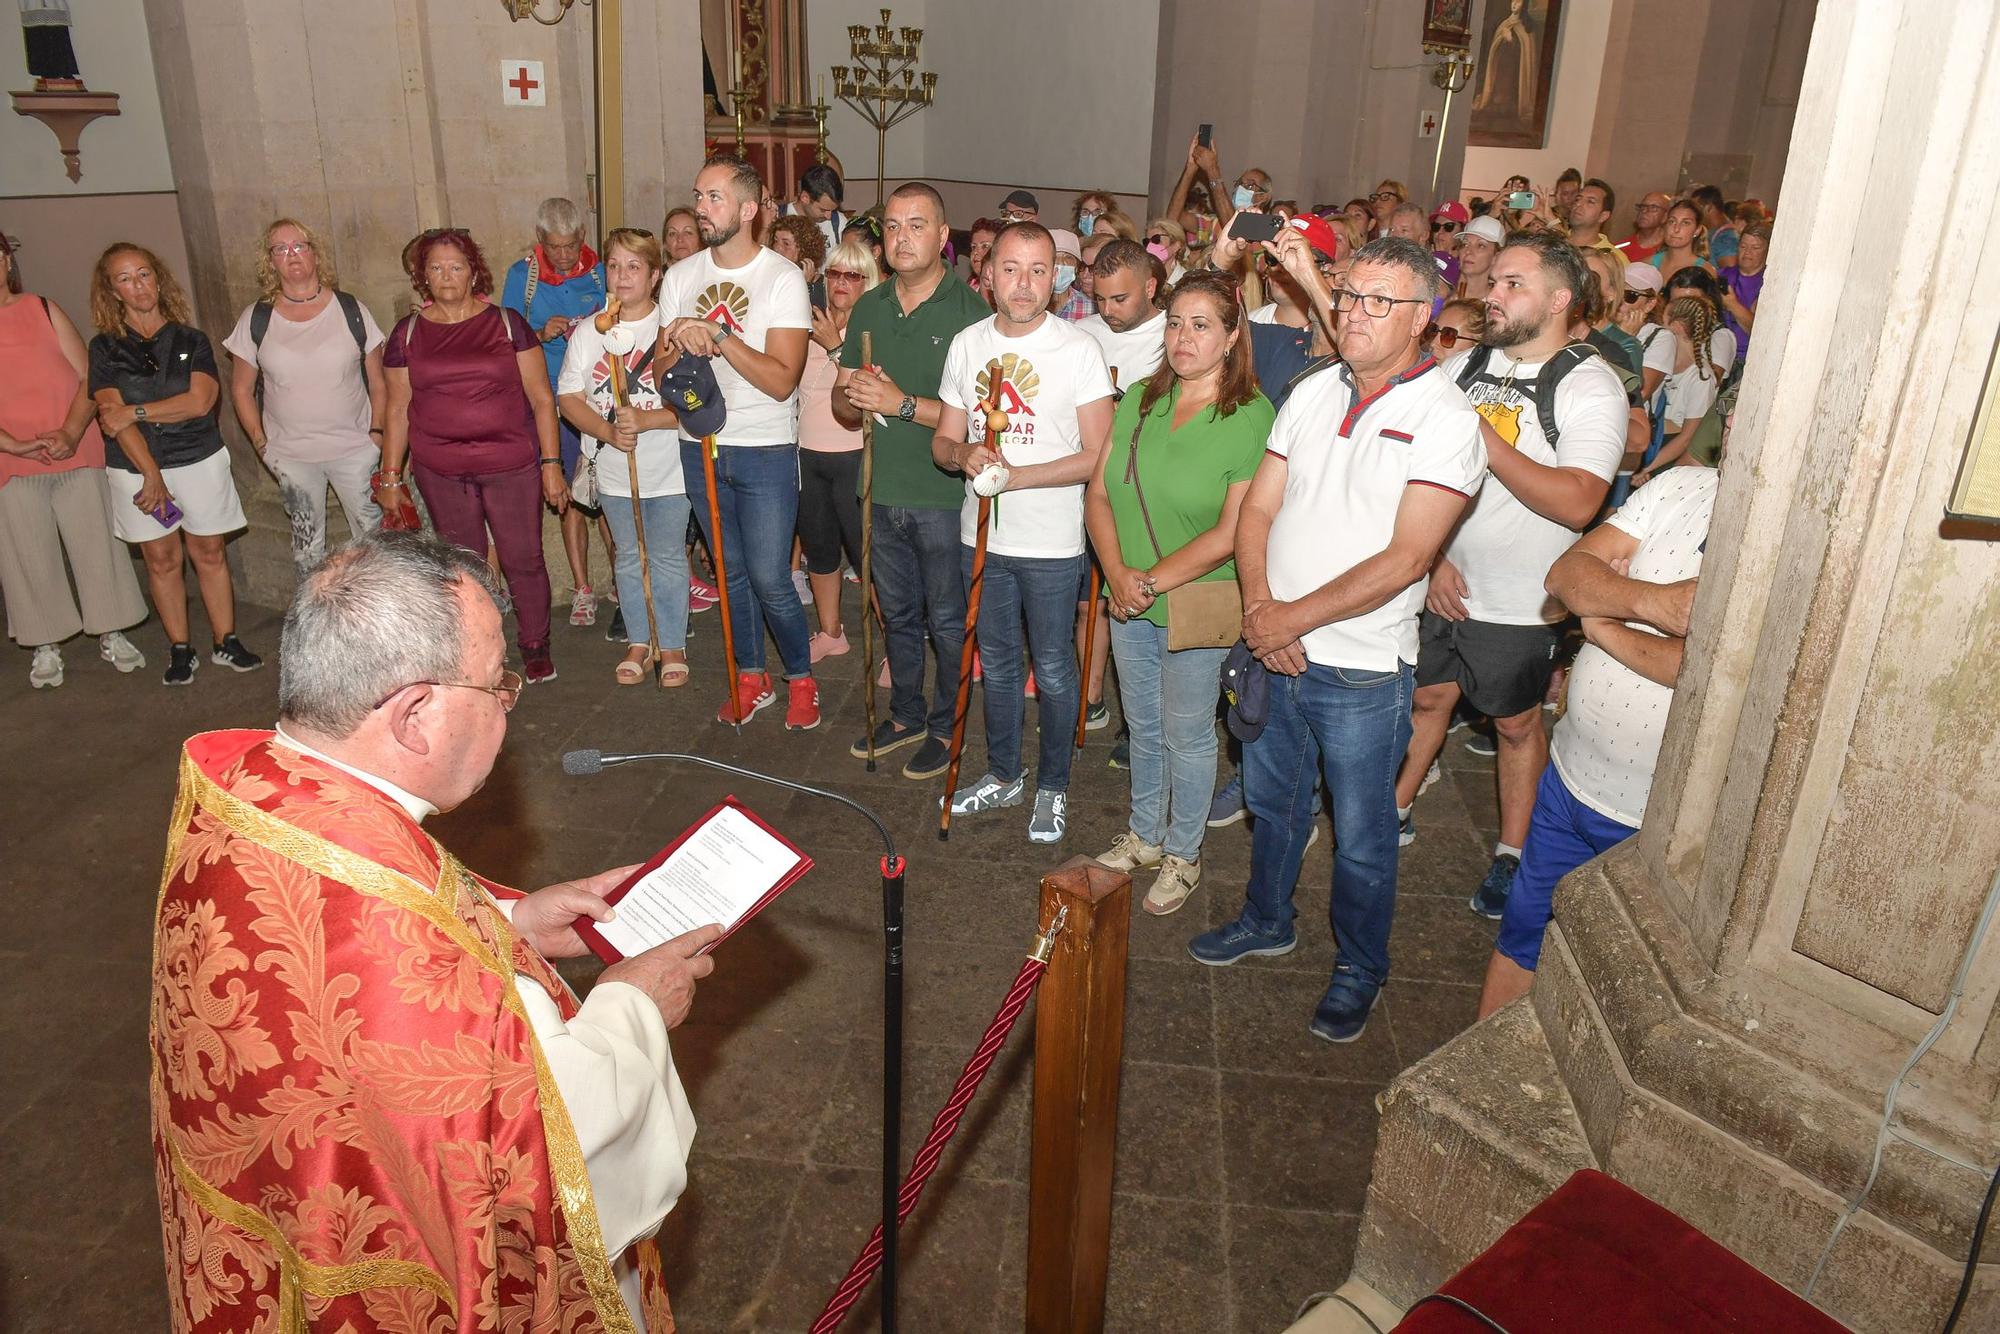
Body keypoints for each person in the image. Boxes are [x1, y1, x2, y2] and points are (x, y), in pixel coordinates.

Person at [149, 530, 716, 1330]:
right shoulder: (391, 935)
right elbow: (545, 1153)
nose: (509, 707)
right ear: (415, 715)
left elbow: (352, 896)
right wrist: (633, 1006)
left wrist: (513, 917)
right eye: (497, 687)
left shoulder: (256, 792)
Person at [1188, 236, 1486, 1044]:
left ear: (1423, 318)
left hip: (1358, 670)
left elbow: (1409, 558)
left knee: (1360, 837)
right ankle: (1265, 919)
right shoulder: (1316, 391)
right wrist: (1259, 608)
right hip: (1274, 643)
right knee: (1273, 807)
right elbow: (1258, 510)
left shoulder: (1447, 420)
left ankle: (1360, 967)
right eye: (1348, 295)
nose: (1352, 312)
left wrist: (1291, 618)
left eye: (1376, 301)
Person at [1393, 233, 1628, 917]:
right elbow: (1414, 467)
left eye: (1512, 284)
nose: (1492, 294)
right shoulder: (1465, 365)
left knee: (1517, 725)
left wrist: (1485, 440)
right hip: (1443, 579)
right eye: (1493, 282)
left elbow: (1581, 499)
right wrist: (1434, 558)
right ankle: (1397, 807)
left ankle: (1513, 853)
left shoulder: (1589, 384)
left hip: (1523, 600)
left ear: (1559, 299)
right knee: (1428, 700)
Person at [1478, 464, 1714, 1016]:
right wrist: (1656, 604)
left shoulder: (1781, 533)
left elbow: (1699, 664)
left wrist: (1603, 617)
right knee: (1521, 938)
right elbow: (1564, 575)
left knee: (1625, 985)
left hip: (1652, 816)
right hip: (1568, 780)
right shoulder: (1685, 485)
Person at [1087, 270, 1273, 914]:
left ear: (1231, 336)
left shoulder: (1252, 417)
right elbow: (1101, 492)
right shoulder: (1140, 397)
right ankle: (1144, 833)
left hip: (1194, 602)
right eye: (1174, 323)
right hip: (1127, 595)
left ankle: (1184, 852)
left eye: (1201, 326)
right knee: (1141, 725)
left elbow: (1233, 531)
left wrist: (1146, 582)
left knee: (1188, 734)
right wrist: (1116, 575)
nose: (1183, 338)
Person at [933, 221, 1115, 844]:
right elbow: (943, 441)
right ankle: (1006, 772)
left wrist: (1018, 476)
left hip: (1052, 542)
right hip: (980, 536)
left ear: (1058, 279)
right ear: (986, 275)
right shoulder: (967, 344)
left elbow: (1100, 455)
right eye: (1011, 268)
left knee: (1057, 667)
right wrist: (966, 459)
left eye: (1039, 271)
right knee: (1000, 664)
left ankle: (1053, 786)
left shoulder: (1079, 349)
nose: (1024, 284)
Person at [834, 182, 990, 780]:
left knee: (947, 620)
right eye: (893, 226)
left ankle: (950, 730)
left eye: (916, 225)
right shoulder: (870, 306)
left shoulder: (971, 313)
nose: (902, 237)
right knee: (895, 613)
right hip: (880, 487)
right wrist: (855, 395)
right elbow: (847, 409)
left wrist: (900, 403)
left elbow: (979, 418)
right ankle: (906, 714)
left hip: (942, 494)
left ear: (942, 237)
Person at [660, 154, 816, 727]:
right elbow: (659, 376)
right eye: (698, 196)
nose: (702, 208)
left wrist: (719, 337)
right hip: (699, 442)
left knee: (772, 575)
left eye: (714, 198)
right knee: (730, 572)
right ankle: (752, 675)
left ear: (748, 209)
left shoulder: (780, 277)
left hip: (764, 447)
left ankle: (801, 678)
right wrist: (677, 345)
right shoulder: (680, 277)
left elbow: (781, 380)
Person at [381, 228, 564, 683]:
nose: (446, 275)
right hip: (440, 470)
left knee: (523, 557)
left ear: (473, 272)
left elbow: (542, 398)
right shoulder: (406, 334)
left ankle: (535, 642)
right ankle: (483, 650)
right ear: (422, 276)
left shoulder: (507, 324)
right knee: (464, 566)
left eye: (456, 266)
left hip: (511, 464)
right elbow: (397, 408)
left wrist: (551, 463)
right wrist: (389, 476)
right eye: (436, 267)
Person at [87, 242, 261, 686]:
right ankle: (180, 647)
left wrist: (138, 411)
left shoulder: (191, 339)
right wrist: (151, 473)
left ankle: (226, 641)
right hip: (135, 467)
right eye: (124, 278)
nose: (138, 285)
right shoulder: (104, 347)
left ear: (158, 278)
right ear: (112, 290)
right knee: (161, 559)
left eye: (144, 274)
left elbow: (200, 403)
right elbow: (112, 417)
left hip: (197, 458)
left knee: (208, 551)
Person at [0, 229, 148, 687]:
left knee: (96, 544)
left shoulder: (41, 309)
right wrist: (12, 444)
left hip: (74, 448)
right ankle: (44, 643)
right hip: (12, 459)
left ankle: (111, 630)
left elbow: (91, 377)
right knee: (27, 553)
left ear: (6, 261)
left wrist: (70, 430)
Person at [558, 228, 700, 687]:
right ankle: (639, 639)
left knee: (667, 556)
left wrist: (649, 420)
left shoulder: (672, 330)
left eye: (634, 266)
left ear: (655, 275)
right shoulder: (588, 331)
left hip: (669, 468)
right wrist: (607, 432)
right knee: (627, 557)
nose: (622, 275)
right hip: (617, 468)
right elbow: (569, 396)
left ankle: (672, 641)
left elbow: (698, 401)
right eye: (614, 265)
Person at [224, 217, 387, 579]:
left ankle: (379, 623)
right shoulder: (256, 318)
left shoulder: (351, 310)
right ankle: (313, 625)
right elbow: (240, 389)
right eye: (280, 249)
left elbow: (379, 381)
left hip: (354, 450)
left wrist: (375, 436)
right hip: (292, 456)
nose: (291, 254)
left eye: (299, 245)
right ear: (270, 262)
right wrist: (261, 444)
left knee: (373, 544)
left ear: (315, 253)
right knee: (307, 551)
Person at [500, 198, 613, 628]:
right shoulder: (522, 276)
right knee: (569, 494)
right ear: (540, 240)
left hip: (599, 392)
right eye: (555, 247)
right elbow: (505, 335)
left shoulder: (601, 269)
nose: (564, 256)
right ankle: (583, 586)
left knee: (607, 491)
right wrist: (539, 332)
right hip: (551, 398)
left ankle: (620, 580)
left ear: (582, 238)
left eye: (571, 246)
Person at [797, 234, 881, 661]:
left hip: (853, 456)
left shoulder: (874, 329)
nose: (842, 282)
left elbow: (864, 395)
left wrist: (834, 346)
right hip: (808, 455)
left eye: (854, 274)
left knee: (870, 559)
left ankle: (894, 651)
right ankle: (831, 632)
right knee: (820, 549)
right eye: (835, 273)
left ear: (870, 282)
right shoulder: (808, 320)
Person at [1629, 295, 1721, 484]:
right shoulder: (1662, 363)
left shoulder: (1701, 378)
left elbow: (1688, 437)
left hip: (1666, 454)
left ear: (1676, 327)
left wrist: (1647, 468)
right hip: (1651, 441)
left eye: (1663, 322)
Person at [1719, 220, 1768, 365]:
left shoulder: (1769, 284)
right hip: (1718, 355)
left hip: (1749, 360)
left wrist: (1732, 304)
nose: (1748, 252)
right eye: (1743, 246)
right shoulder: (1722, 275)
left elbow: (1760, 331)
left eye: (1755, 247)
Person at [783, 161, 847, 252]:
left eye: (833, 210)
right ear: (805, 198)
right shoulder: (780, 217)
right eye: (823, 210)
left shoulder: (839, 222)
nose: (829, 216)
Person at [1647, 198, 1713, 276]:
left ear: (1697, 230)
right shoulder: (1646, 266)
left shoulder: (1705, 272)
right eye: (1672, 221)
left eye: (1685, 223)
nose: (1676, 229)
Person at [1456, 214, 1504, 302]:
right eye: (1465, 244)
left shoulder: (1497, 304)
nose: (1468, 251)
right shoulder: (1443, 294)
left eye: (1481, 245)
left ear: (1496, 257)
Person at [1049, 227, 1092, 321]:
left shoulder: (1090, 309)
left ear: (1077, 267)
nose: (1060, 263)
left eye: (1068, 257)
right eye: (1054, 257)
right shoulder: (1030, 303)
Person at [1690, 184, 1738, 268]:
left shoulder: (1726, 238)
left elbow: (1730, 277)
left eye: (1695, 209)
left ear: (1708, 207)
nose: (1693, 213)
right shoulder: (1714, 232)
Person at [1566, 178, 1619, 254]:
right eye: (1577, 199)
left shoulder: (1613, 257)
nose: (1578, 204)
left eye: (1590, 202)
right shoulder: (1554, 240)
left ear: (1603, 216)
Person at [1615, 192, 1671, 262]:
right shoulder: (1619, 248)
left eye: (1653, 208)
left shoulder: (1670, 252)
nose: (1644, 211)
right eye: (1642, 207)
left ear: (1666, 216)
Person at [1145, 216, 1189, 284]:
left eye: (1156, 240)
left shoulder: (1185, 281)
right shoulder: (1142, 277)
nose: (1149, 247)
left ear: (1176, 246)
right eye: (1146, 242)